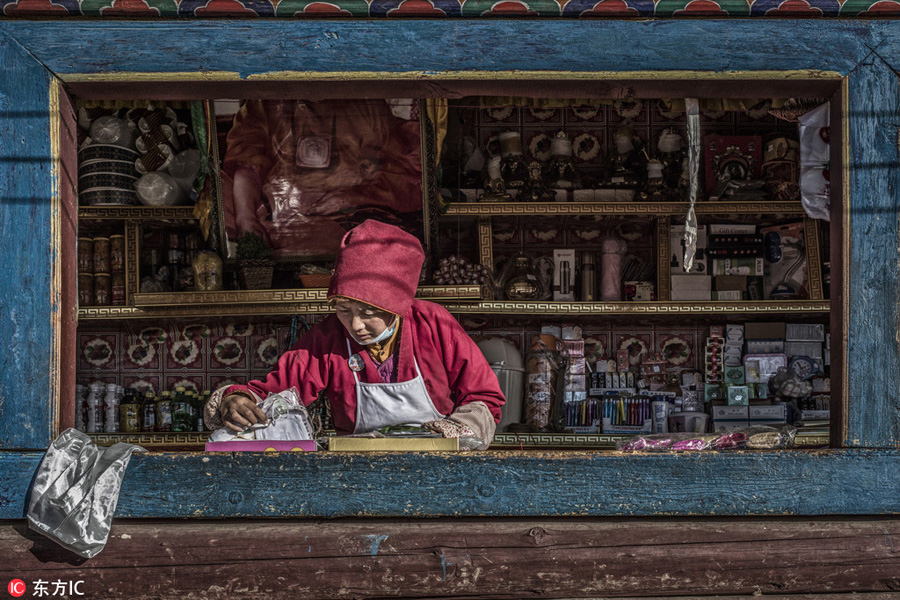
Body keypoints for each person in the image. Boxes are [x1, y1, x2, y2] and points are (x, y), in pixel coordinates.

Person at [204, 219, 506, 447]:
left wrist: (454, 433)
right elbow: (272, 392)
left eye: (369, 312)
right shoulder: (328, 339)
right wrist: (238, 400)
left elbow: (484, 399)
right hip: (357, 469)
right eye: (343, 309)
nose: (355, 325)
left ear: (397, 306)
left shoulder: (433, 323)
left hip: (439, 465)